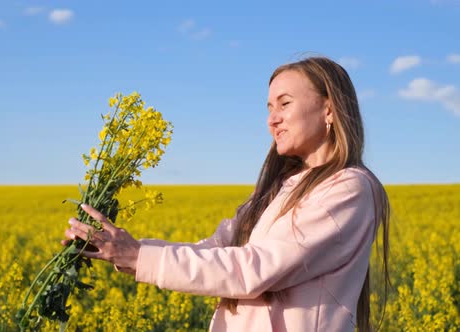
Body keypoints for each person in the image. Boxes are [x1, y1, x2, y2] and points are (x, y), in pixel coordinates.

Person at [63, 56, 390, 332]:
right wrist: (123, 250)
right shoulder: (277, 188)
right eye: (269, 107)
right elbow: (215, 249)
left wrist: (137, 256)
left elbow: (255, 269)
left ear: (329, 110)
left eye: (285, 104)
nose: (271, 119)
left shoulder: (349, 189)